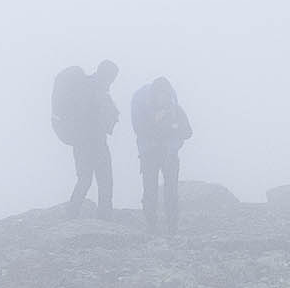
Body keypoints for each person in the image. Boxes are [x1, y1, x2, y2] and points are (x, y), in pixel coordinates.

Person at [50, 61, 119, 215]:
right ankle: (102, 215)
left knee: (86, 179)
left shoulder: (90, 86)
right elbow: (88, 115)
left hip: (83, 141)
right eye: (112, 77)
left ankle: (73, 212)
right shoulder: (92, 88)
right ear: (106, 74)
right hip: (91, 140)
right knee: (102, 179)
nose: (111, 81)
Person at [128, 76, 193, 233]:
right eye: (160, 94)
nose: (163, 98)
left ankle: (172, 226)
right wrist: (167, 128)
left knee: (171, 191)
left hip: (168, 154)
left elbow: (188, 132)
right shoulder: (144, 109)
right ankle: (152, 225)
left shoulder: (176, 110)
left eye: (165, 94)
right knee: (150, 190)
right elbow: (140, 130)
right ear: (154, 95)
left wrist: (170, 128)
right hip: (150, 154)